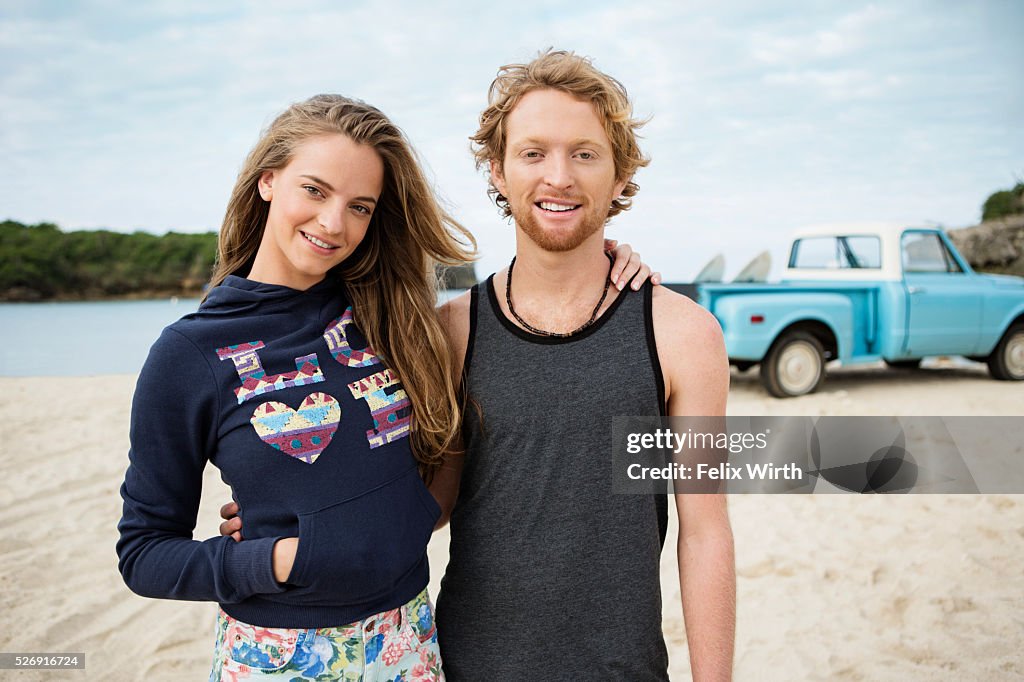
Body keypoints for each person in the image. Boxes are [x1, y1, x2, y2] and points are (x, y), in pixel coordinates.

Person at [117, 93, 651, 681]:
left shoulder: (388, 316)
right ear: (268, 180)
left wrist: (602, 258)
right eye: (314, 190)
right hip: (281, 655)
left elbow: (447, 439)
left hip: (410, 642)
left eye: (361, 207)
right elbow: (143, 554)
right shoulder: (188, 353)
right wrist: (274, 557)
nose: (332, 223)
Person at [429, 50, 736, 680]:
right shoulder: (452, 331)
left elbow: (703, 531)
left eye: (586, 153)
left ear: (621, 175)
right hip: (467, 667)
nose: (559, 176)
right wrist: (284, 506)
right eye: (533, 152)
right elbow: (426, 506)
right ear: (498, 170)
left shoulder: (684, 334)